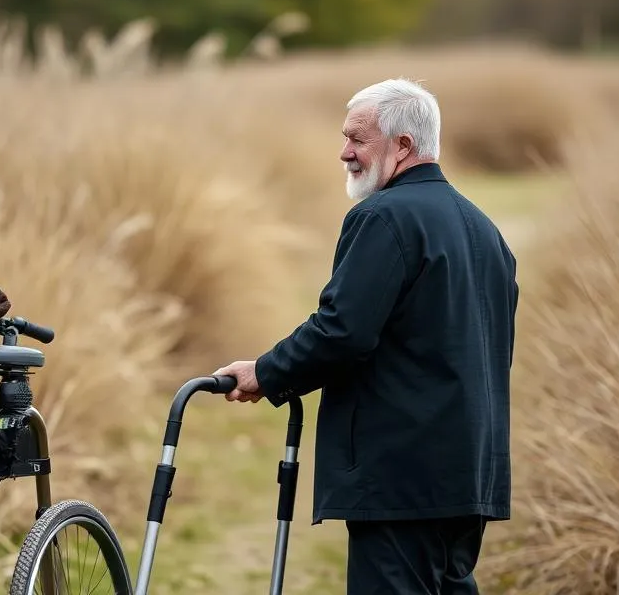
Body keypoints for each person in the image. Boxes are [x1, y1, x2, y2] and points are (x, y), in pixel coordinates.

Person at [214, 78, 518, 594]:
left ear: (403, 146)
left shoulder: (384, 217)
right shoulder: (484, 229)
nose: (344, 153)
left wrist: (265, 373)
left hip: (403, 473)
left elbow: (342, 331)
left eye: (357, 139)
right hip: (471, 472)